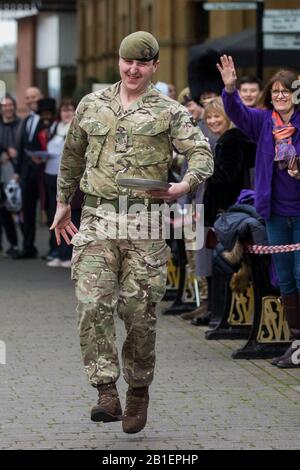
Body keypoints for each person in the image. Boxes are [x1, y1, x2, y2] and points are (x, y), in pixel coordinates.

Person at [50, 31, 213, 433]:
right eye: (128, 61)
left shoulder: (169, 111)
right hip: (97, 220)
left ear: (154, 66)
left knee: (139, 316)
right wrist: (61, 202)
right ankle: (106, 390)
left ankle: (138, 390)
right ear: (119, 63)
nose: (133, 69)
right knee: (92, 304)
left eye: (142, 63)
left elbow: (202, 152)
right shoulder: (92, 105)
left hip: (148, 221)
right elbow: (72, 154)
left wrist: (183, 185)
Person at [217, 54, 300, 368]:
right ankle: (296, 342)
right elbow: (236, 111)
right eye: (276, 91)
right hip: (274, 211)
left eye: (286, 91)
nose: (280, 96)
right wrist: (229, 88)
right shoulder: (264, 121)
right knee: (286, 279)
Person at [14, 96, 56, 259]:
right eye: (43, 113)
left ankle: (54, 249)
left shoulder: (54, 126)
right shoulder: (26, 121)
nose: (45, 115)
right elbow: (22, 146)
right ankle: (27, 246)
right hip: (27, 173)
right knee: (27, 211)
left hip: (46, 173)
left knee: (51, 211)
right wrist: (18, 172)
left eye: (48, 113)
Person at [45, 98, 77, 267]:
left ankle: (69, 253)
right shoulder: (54, 127)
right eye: (64, 110)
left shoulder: (77, 128)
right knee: (54, 215)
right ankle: (57, 251)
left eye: (70, 110)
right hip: (51, 175)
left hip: (69, 180)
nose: (66, 113)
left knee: (70, 216)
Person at [0, 94, 21, 257]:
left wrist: (15, 154)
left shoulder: (20, 124)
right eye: (4, 105)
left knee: (13, 209)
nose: (8, 108)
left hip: (14, 173)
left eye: (10, 105)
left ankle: (15, 244)